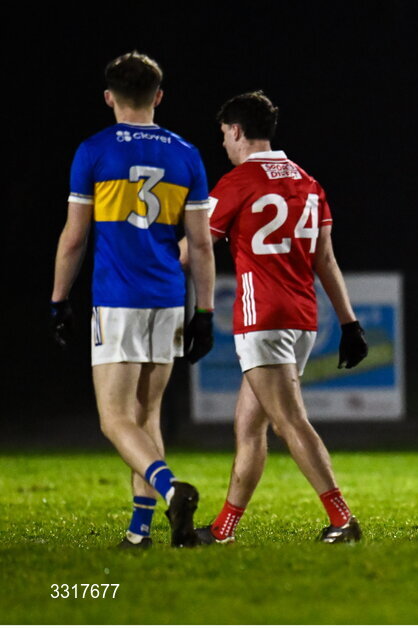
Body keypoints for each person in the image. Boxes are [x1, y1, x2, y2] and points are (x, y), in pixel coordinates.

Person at [50, 51, 216, 549]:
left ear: (109, 98)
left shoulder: (94, 151)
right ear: (158, 96)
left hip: (118, 299)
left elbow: (75, 237)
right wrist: (203, 311)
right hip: (167, 298)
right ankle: (140, 532)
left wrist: (59, 301)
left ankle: (172, 489)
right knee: (147, 417)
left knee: (115, 418)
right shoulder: (186, 153)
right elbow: (202, 244)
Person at [192, 91, 369, 545]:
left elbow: (194, 247)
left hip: (262, 318)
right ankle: (222, 529)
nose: (224, 146)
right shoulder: (308, 181)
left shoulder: (237, 182)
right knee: (249, 427)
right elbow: (325, 259)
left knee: (289, 421)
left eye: (224, 136)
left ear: (235, 130)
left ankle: (342, 519)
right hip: (302, 319)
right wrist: (349, 323)